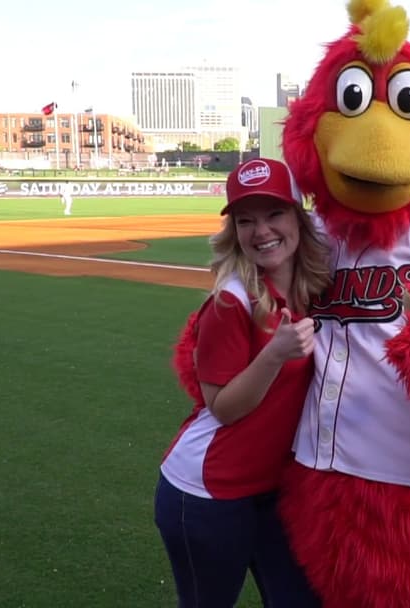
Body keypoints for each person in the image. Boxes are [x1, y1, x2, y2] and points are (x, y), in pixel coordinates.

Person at [154, 157, 330, 608]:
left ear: (298, 215)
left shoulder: (314, 286)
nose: (261, 231)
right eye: (245, 220)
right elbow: (224, 407)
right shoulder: (231, 301)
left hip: (271, 490)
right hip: (208, 492)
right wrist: (274, 354)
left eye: (274, 214)